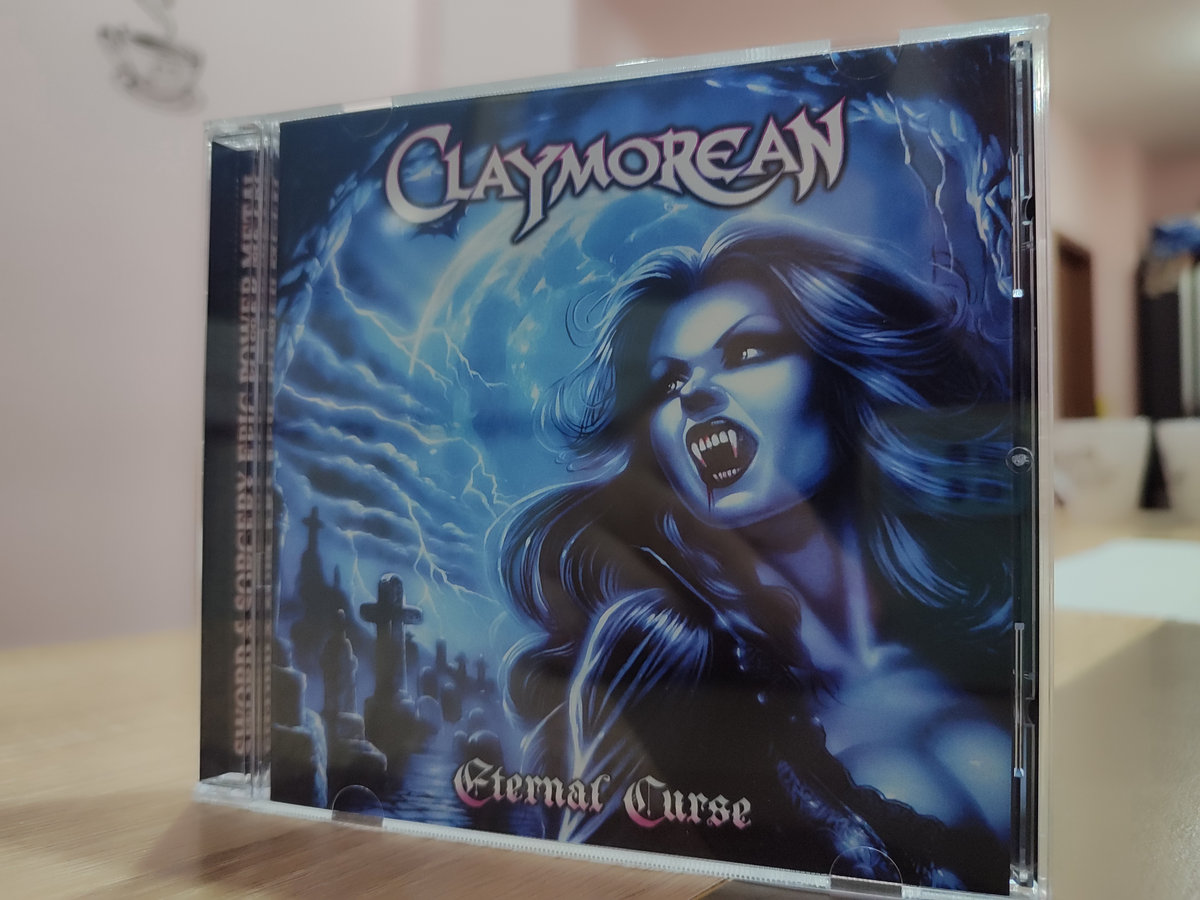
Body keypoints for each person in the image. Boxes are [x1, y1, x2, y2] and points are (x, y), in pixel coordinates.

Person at [496, 216, 1016, 892]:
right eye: (669, 384)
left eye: (745, 353)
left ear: (835, 381)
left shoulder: (974, 637)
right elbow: (595, 879)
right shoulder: (669, 654)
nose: (697, 393)